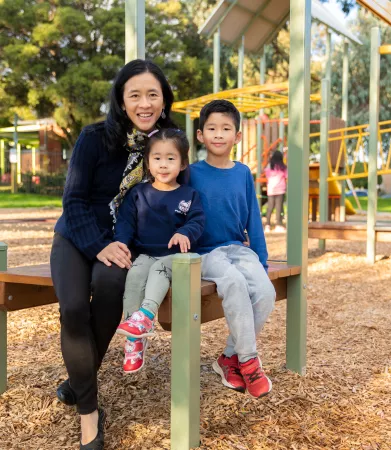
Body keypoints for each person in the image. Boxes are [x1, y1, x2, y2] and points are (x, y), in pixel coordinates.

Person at [50, 59, 177, 450]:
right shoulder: (92, 138)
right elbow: (72, 202)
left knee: (108, 292)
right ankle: (91, 410)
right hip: (76, 237)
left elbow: (182, 201)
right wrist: (97, 245)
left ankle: (80, 387)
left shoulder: (168, 145)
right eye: (134, 95)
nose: (144, 103)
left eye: (152, 94)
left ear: (164, 100)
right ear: (121, 102)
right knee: (72, 308)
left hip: (123, 246)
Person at [190, 100, 276, 399]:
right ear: (200, 135)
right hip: (203, 252)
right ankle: (249, 361)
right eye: (211, 128)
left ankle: (228, 358)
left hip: (236, 249)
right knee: (234, 283)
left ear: (237, 136)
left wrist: (261, 263)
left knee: (266, 292)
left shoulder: (243, 174)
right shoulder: (190, 173)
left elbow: (253, 219)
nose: (218, 134)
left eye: (226, 128)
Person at [113, 129, 204, 373]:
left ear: (183, 163)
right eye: (157, 158)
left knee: (159, 269)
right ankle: (134, 339)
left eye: (171, 158)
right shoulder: (138, 194)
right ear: (148, 162)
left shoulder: (189, 195)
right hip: (145, 253)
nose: (163, 165)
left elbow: (197, 221)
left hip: (177, 258)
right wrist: (122, 243)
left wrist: (185, 232)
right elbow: (125, 223)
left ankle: (146, 314)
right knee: (134, 277)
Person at [264, 149, 287, 233]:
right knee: (278, 207)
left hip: (271, 189)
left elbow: (266, 174)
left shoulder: (270, 166)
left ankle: (267, 225)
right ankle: (278, 225)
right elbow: (286, 175)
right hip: (280, 189)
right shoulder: (283, 167)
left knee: (270, 207)